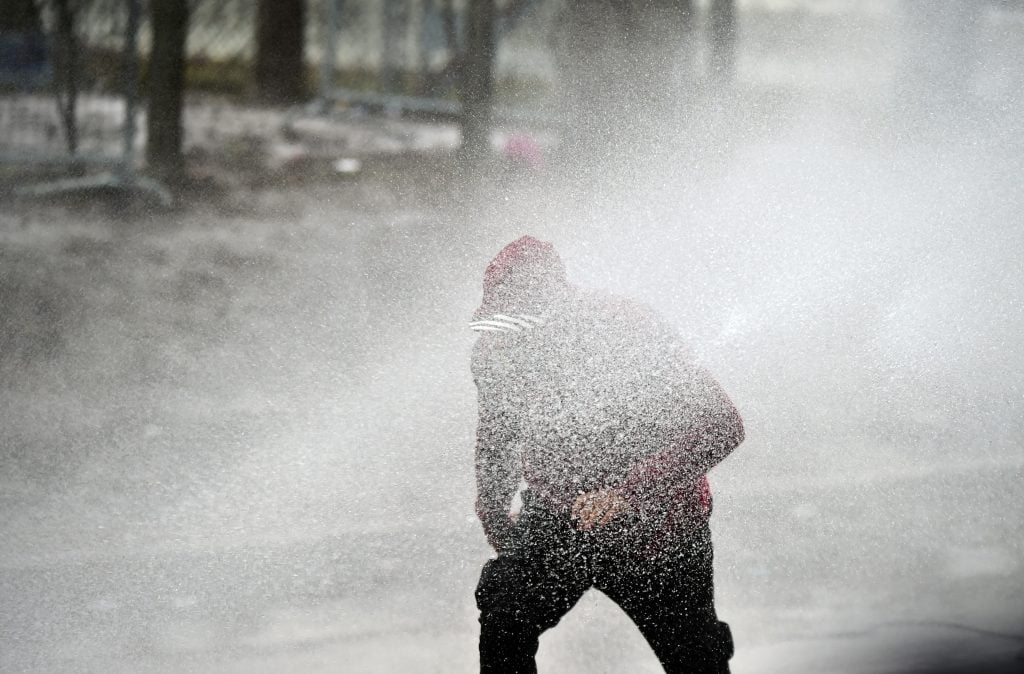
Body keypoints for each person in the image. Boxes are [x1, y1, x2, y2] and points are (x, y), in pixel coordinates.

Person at [470, 236, 744, 674]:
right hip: (556, 517)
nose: (509, 345)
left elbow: (722, 426)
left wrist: (626, 493)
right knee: (505, 616)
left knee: (695, 660)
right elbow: (496, 435)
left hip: (658, 528)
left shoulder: (627, 330)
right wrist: (495, 513)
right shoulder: (495, 350)